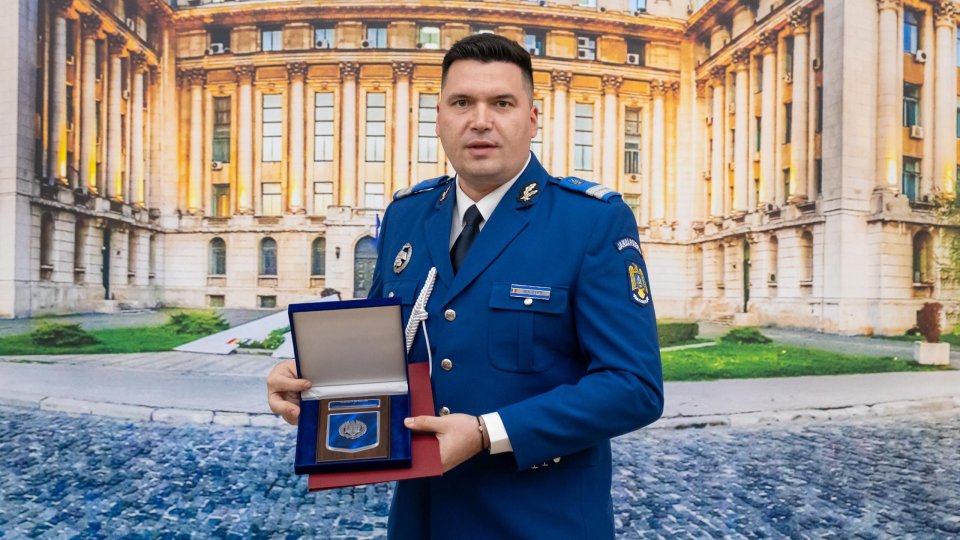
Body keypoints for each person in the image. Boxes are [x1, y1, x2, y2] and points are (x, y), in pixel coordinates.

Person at [267, 33, 663, 539]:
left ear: (532, 118)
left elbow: (634, 387)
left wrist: (485, 433)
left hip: (541, 519)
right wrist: (312, 382)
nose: (480, 120)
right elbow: (381, 353)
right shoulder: (407, 215)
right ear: (439, 118)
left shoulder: (589, 221)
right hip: (423, 519)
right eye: (462, 103)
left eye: (502, 103)